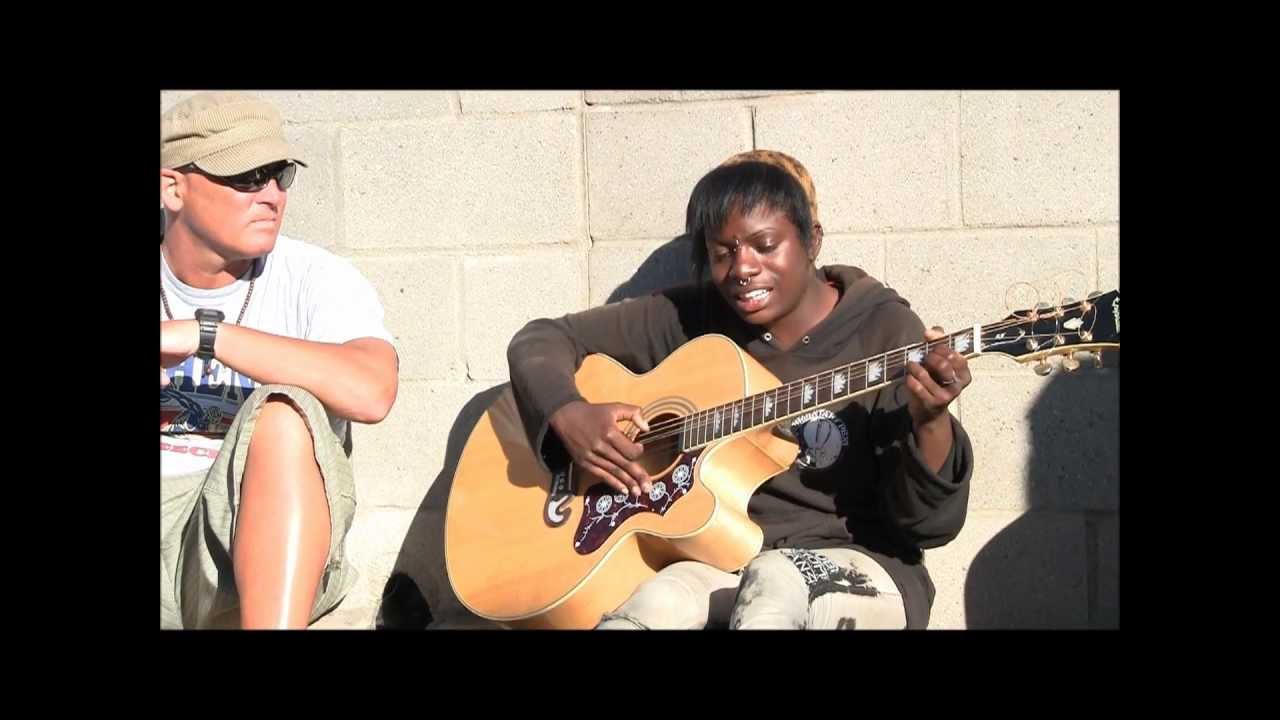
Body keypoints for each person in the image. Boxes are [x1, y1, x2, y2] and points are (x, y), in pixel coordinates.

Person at [507, 150, 973, 629]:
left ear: (812, 241)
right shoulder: (694, 318)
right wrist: (567, 413)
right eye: (722, 253)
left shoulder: (884, 331)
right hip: (721, 564)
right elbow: (539, 339)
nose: (742, 268)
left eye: (765, 245)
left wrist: (931, 420)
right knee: (646, 611)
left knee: (773, 587)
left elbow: (930, 527)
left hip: (859, 566)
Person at [160, 92, 399, 629]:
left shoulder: (314, 277)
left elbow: (372, 391)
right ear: (173, 187)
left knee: (284, 414)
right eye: (246, 177)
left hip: (250, 546)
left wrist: (206, 336)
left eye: (279, 174)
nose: (271, 196)